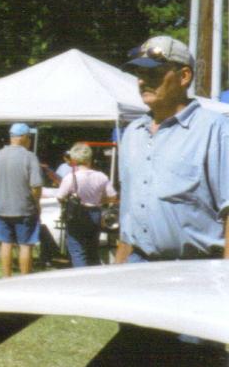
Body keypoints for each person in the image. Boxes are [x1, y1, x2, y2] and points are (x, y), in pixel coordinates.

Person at [115, 35, 229, 263]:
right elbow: (128, 214)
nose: (142, 81)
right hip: (138, 264)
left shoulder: (215, 129)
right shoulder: (133, 133)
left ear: (184, 76)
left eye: (153, 73)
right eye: (139, 73)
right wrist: (118, 268)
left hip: (195, 269)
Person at [0, 123, 44, 277]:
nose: (30, 140)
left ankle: (7, 278)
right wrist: (36, 203)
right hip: (25, 209)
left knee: (6, 243)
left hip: (2, 209)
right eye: (29, 137)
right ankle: (24, 279)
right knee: (26, 245)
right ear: (23, 137)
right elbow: (36, 186)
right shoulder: (29, 157)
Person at [56, 142, 117, 268]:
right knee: (92, 249)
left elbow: (60, 197)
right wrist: (100, 200)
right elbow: (113, 196)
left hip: (76, 215)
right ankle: (94, 274)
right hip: (95, 213)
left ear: (74, 159)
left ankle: (82, 276)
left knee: (77, 250)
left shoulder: (70, 177)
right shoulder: (101, 176)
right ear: (90, 158)